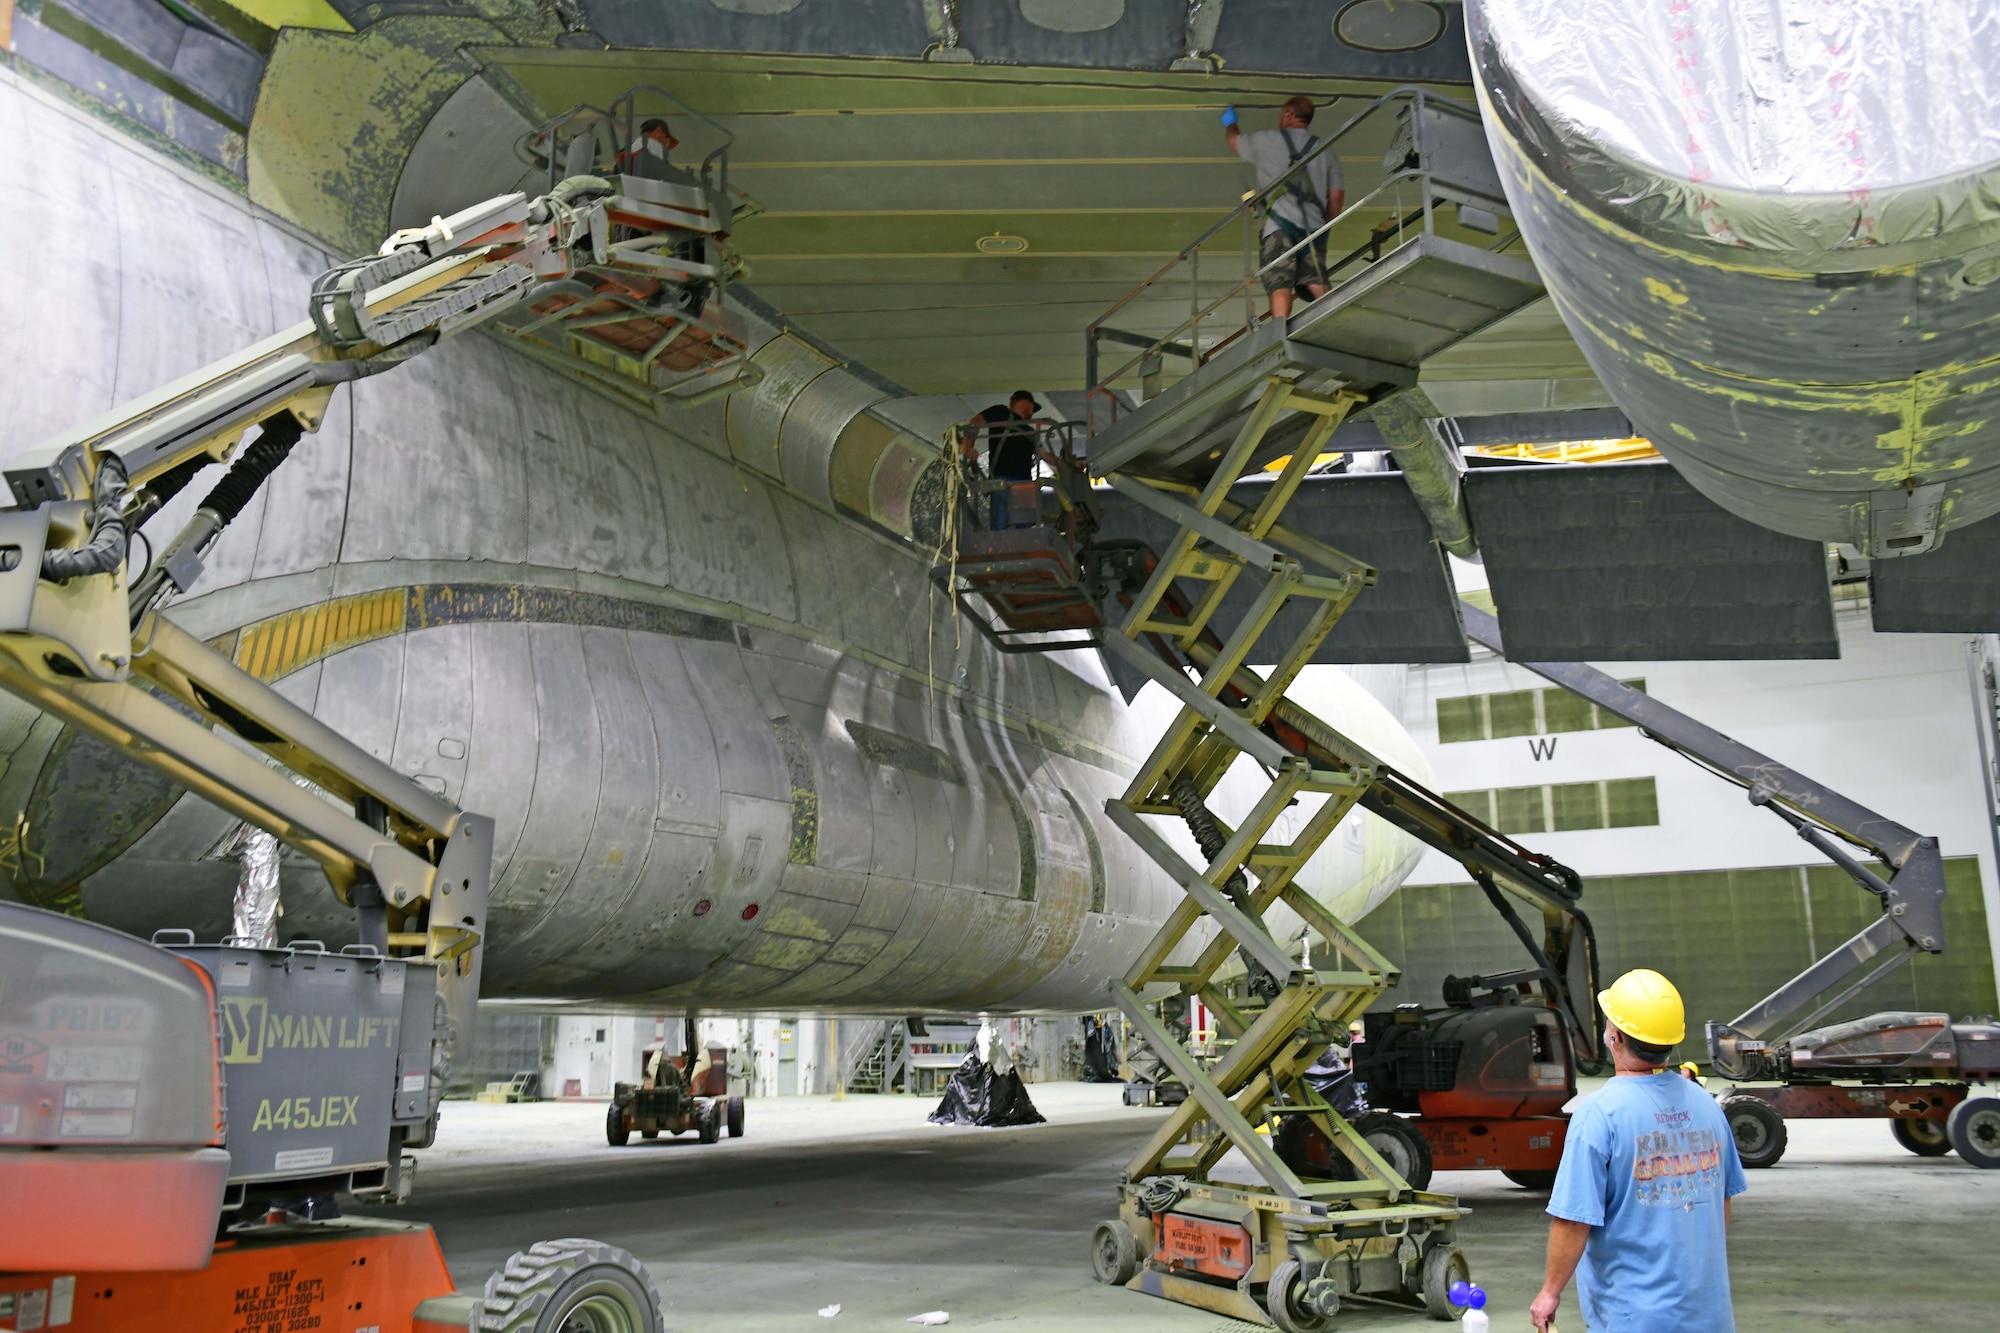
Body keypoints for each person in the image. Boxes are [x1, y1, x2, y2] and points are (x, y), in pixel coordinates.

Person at [1531, 969, 1746, 1333]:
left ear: (1614, 1037)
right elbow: (1720, 1202)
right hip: (1709, 1315)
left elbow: (1573, 1219)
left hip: (1636, 1318)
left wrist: (1550, 1292)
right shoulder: (1706, 1105)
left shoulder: (1599, 1115)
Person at [1222, 96, 1345, 320]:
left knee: (1280, 279)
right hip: (1314, 228)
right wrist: (1325, 226)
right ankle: (1334, 317)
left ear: (1289, 114)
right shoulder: (1325, 149)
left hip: (1278, 226)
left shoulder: (1269, 139)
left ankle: (1280, 326)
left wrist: (1230, 122)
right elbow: (1336, 196)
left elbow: (1234, 142)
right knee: (1315, 278)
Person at [964, 390, 1041, 529]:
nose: (1032, 413)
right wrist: (970, 447)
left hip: (1022, 484)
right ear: (1025, 403)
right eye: (1032, 408)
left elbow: (1046, 455)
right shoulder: (1000, 412)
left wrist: (1068, 464)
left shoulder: (1030, 432)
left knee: (1018, 528)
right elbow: (974, 423)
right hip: (1004, 482)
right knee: (1003, 527)